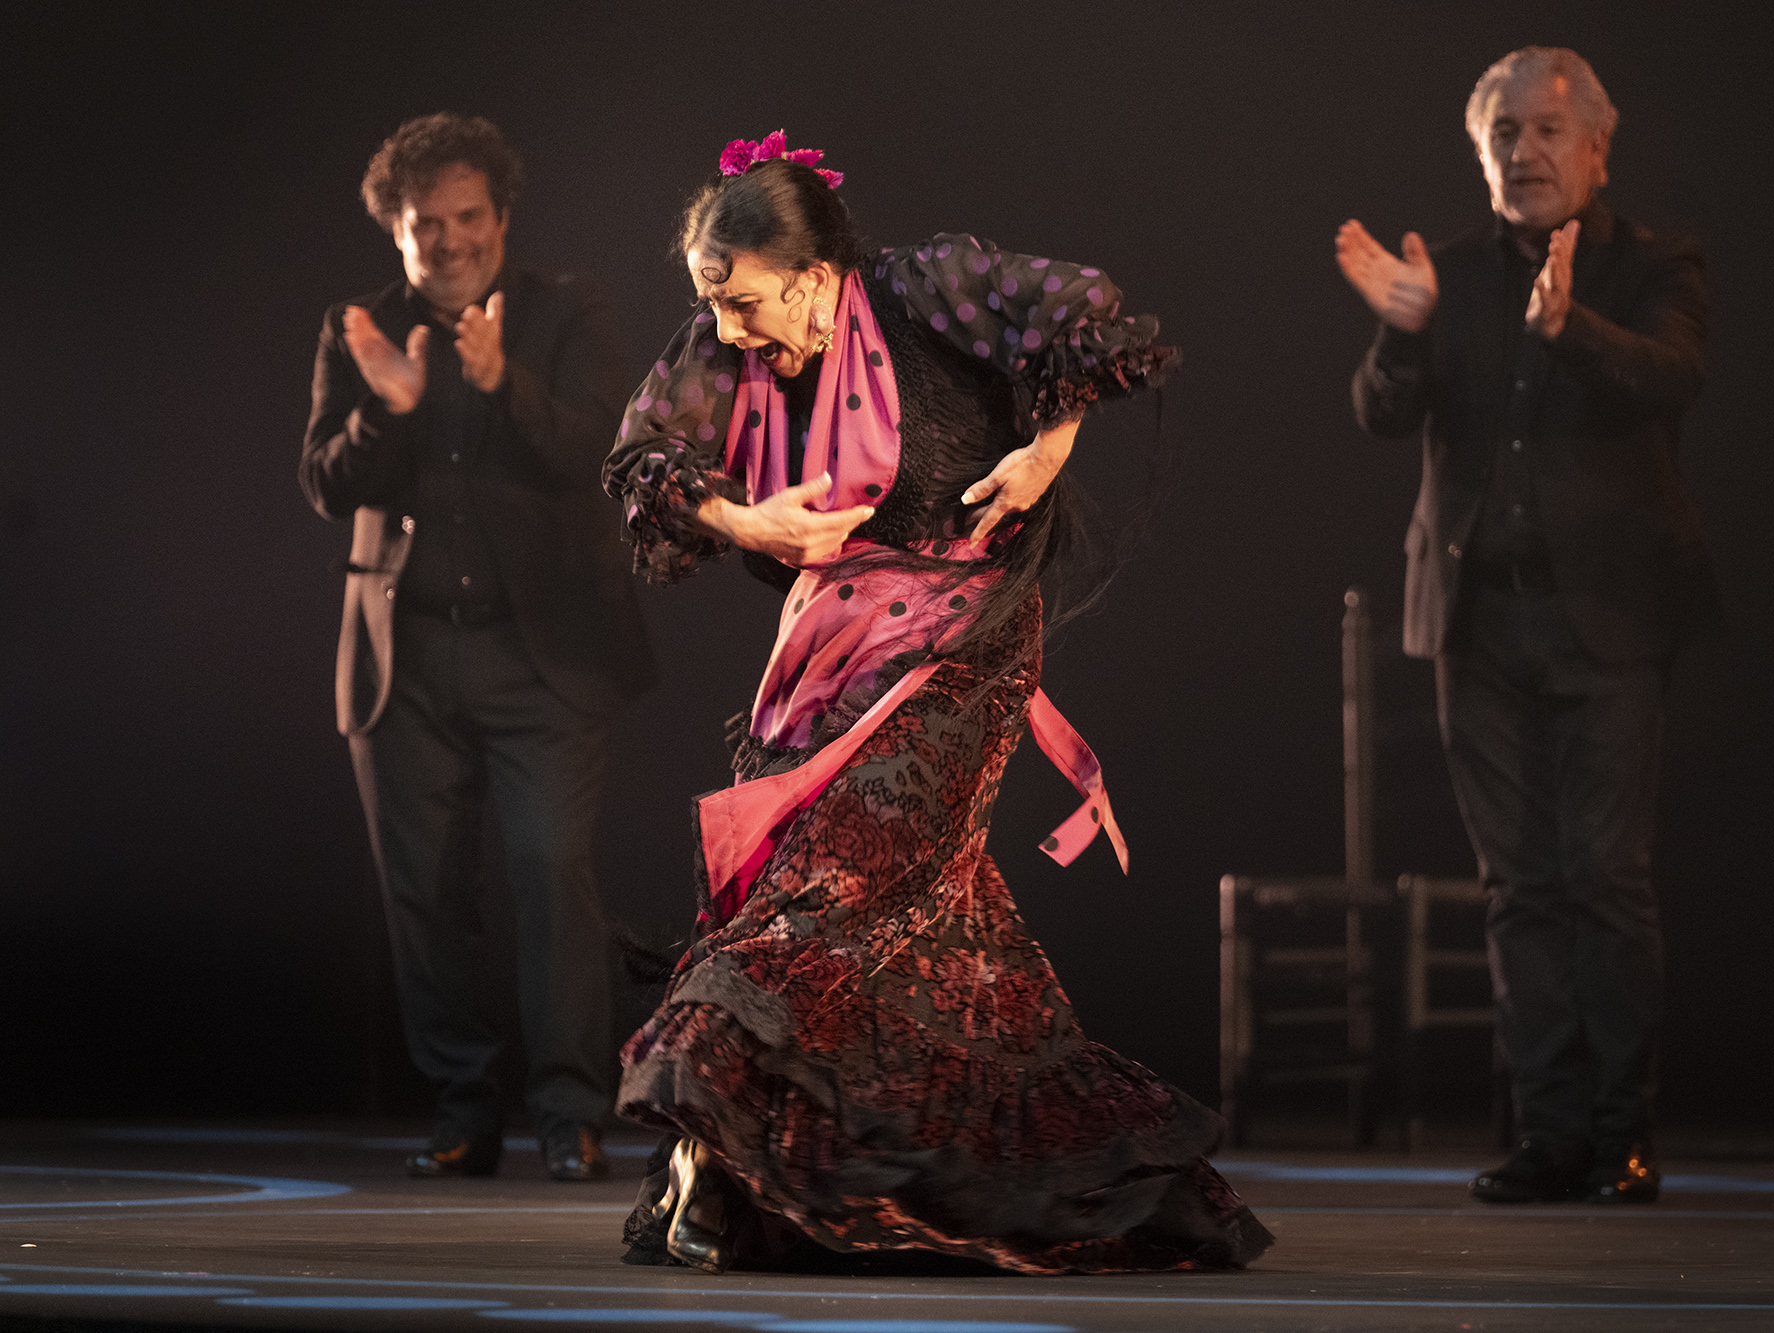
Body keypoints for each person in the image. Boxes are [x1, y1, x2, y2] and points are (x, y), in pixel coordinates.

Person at [601, 131, 1271, 1274]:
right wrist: (747, 522)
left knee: (840, 883)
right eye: (712, 304)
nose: (725, 328)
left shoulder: (923, 290)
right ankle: (746, 1162)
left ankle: (712, 1145)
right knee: (898, 932)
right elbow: (644, 456)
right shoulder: (728, 350)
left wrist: (1046, 453)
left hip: (965, 645)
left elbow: (1079, 315)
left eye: (746, 303)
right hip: (829, 657)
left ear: (813, 279)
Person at [1338, 49, 1717, 1204]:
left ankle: (1621, 1134)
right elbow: (1376, 414)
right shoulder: (1442, 274)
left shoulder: (1653, 263)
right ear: (1480, 150)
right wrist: (1402, 330)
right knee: (1516, 887)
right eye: (1504, 132)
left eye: (1549, 131)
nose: (1525, 151)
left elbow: (1673, 379)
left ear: (1597, 148)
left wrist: (1569, 330)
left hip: (1606, 620)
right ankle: (1549, 1134)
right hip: (1476, 624)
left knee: (1604, 879)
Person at [300, 113, 655, 1181]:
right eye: (424, 226)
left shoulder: (564, 311)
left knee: (551, 869)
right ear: (395, 232)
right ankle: (462, 1107)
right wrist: (390, 413)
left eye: (465, 219)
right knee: (425, 890)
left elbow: (603, 453)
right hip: (405, 660)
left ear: (500, 219)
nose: (447, 241)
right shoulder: (359, 326)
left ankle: (569, 1112)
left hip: (542, 657)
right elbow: (326, 483)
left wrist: (506, 386)